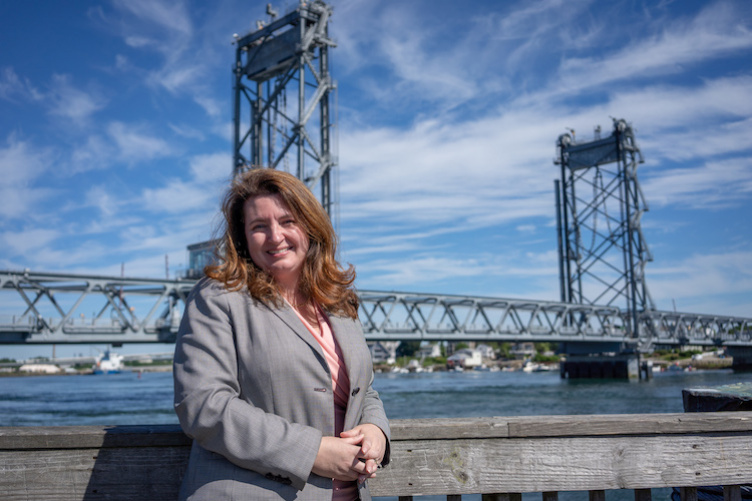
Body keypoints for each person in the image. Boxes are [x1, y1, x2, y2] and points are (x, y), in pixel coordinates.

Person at [173, 168, 390, 500]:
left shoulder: (337, 300)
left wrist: (376, 430)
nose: (275, 236)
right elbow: (203, 405)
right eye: (259, 226)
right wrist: (313, 451)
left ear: (310, 226)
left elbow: (365, 390)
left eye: (288, 221)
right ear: (243, 237)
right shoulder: (217, 296)